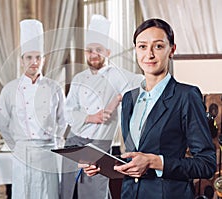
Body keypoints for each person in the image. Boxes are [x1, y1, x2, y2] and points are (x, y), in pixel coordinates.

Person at [82, 18, 216, 199]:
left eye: (158, 46)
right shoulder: (129, 98)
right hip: (130, 194)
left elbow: (206, 164)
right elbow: (134, 160)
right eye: (142, 47)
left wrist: (156, 162)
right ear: (136, 50)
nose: (149, 54)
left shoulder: (186, 96)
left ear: (172, 50)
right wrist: (104, 166)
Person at [61, 14, 144, 199]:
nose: (93, 55)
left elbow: (143, 83)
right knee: (68, 191)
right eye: (89, 50)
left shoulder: (117, 75)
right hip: (74, 142)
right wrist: (91, 117)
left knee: (95, 192)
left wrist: (119, 99)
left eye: (98, 50)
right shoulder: (79, 78)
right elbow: (67, 111)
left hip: (98, 145)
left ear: (108, 51)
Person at [0, 19, 66, 199]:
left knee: (49, 195)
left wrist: (54, 144)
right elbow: (2, 124)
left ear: (44, 60)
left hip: (48, 153)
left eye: (38, 57)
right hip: (23, 155)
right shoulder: (10, 89)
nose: (34, 62)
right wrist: (19, 146)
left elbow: (62, 120)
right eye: (29, 57)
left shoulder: (54, 87)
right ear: (21, 60)